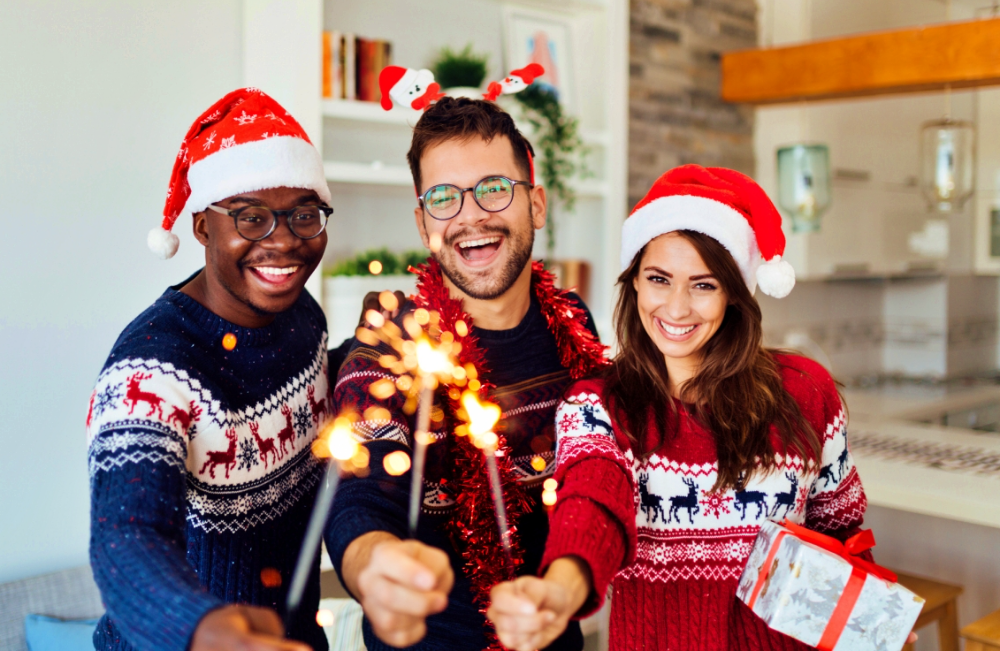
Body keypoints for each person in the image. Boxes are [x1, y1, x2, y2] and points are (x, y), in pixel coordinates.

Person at [487, 165, 878, 651]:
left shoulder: (806, 392)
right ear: (634, 282)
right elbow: (592, 506)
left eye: (703, 284)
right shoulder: (597, 405)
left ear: (735, 295)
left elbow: (840, 528)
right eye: (659, 279)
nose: (675, 308)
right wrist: (559, 591)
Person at [326, 96, 607, 651]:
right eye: (443, 198)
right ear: (422, 221)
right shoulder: (389, 345)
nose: (471, 216)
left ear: (537, 203)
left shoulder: (575, 329)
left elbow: (601, 479)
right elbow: (358, 501)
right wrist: (376, 564)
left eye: (494, 188)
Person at [88, 88, 335, 651]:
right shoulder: (149, 368)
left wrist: (365, 352)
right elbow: (126, 535)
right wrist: (204, 630)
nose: (284, 241)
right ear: (202, 227)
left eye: (305, 214)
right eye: (251, 218)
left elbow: (308, 399)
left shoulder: (304, 318)